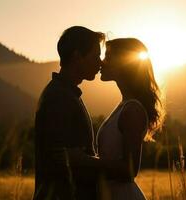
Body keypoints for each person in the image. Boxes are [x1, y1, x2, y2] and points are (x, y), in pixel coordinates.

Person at [33, 26, 105, 200]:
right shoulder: (59, 97)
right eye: (96, 56)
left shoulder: (65, 93)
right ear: (77, 56)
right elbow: (61, 158)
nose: (100, 62)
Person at [96, 38, 165, 200]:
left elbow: (130, 170)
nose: (101, 63)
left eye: (108, 57)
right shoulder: (125, 105)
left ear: (123, 65)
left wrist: (87, 163)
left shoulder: (133, 110)